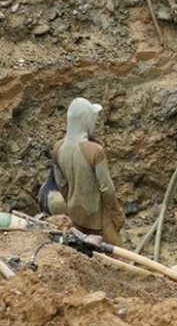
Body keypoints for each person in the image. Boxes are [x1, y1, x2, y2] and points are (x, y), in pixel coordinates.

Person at [52, 97, 125, 247]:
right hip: (99, 218)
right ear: (85, 120)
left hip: (75, 216)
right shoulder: (95, 151)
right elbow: (107, 189)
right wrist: (117, 213)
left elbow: (61, 184)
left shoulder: (57, 148)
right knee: (120, 257)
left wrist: (72, 205)